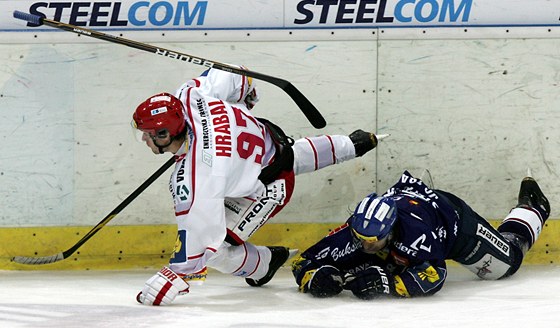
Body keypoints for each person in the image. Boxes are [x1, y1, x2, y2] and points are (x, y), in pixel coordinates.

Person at [132, 66, 381, 306]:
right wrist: (248, 94)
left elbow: (198, 235)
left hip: (269, 186)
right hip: (271, 143)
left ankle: (264, 264)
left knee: (215, 250)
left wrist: (172, 275)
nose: (143, 138)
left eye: (148, 132)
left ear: (165, 134)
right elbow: (232, 73)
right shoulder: (191, 96)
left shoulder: (199, 173)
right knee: (287, 156)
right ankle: (352, 144)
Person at [292, 170, 550, 299]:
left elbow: (436, 275)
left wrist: (390, 285)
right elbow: (303, 262)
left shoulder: (416, 233)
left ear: (391, 229)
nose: (366, 245)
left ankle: (531, 208)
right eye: (361, 238)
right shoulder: (358, 232)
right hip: (414, 225)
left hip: (455, 228)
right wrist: (314, 278)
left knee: (509, 263)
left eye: (373, 241)